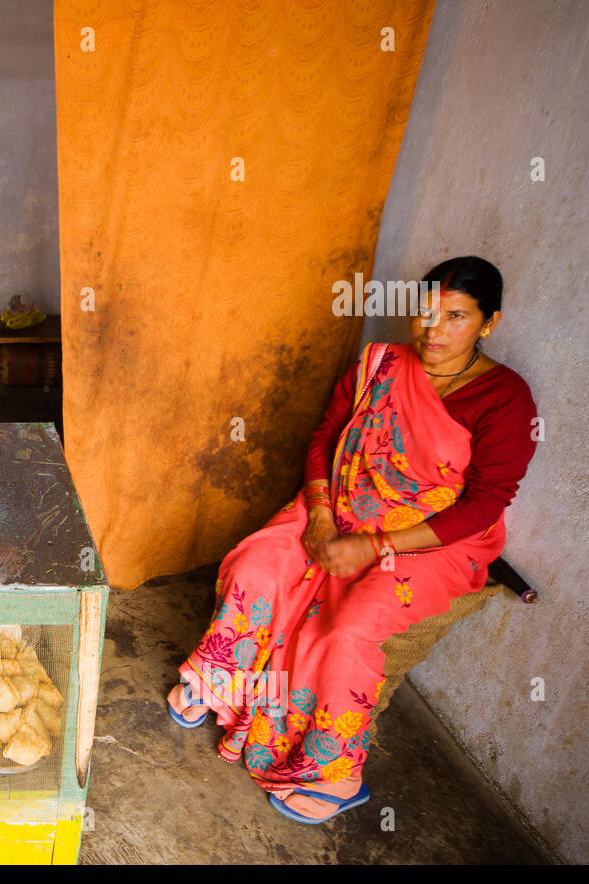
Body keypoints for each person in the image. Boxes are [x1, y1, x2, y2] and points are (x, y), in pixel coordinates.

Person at [167, 256, 538, 823]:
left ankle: (335, 775)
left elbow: (486, 503)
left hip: (434, 538)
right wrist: (319, 515)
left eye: (456, 317)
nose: (432, 331)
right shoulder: (380, 365)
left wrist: (374, 546)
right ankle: (221, 680)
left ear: (489, 323)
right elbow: (324, 436)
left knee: (345, 630)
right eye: (425, 313)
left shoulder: (506, 398)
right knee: (258, 565)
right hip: (338, 502)